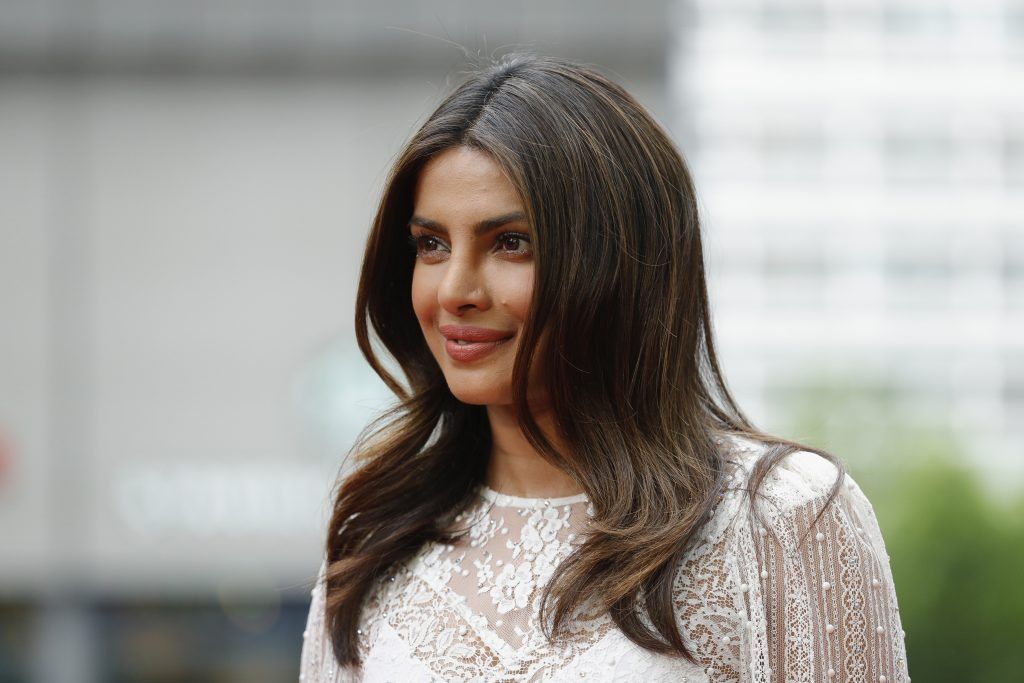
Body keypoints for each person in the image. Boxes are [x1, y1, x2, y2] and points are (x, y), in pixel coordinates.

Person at [299, 52, 909, 682]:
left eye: (512, 242)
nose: (454, 290)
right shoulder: (375, 538)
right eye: (432, 245)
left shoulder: (780, 519)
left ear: (619, 264)